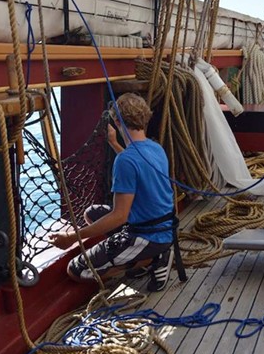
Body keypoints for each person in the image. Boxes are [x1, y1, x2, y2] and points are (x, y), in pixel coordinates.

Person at [50, 93, 176, 292]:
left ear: (116, 120)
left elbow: (119, 216)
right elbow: (138, 167)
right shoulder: (155, 148)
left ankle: (151, 259)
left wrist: (72, 238)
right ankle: (144, 254)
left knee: (77, 270)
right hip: (164, 226)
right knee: (91, 213)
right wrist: (114, 144)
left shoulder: (125, 161)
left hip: (148, 235)